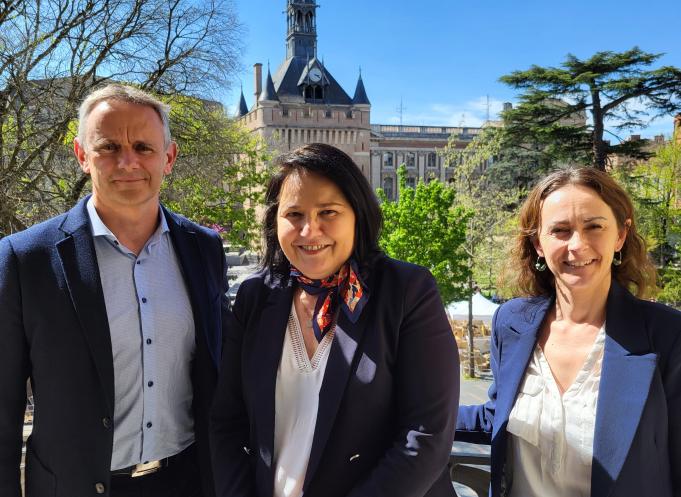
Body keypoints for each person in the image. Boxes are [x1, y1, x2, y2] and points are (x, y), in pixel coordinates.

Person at [0, 84, 227, 497]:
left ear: (169, 158)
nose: (127, 161)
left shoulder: (204, 249)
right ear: (82, 156)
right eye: (108, 147)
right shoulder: (24, 259)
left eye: (144, 147)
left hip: (189, 480)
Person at [210, 143, 459, 497]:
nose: (310, 231)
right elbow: (227, 423)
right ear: (274, 221)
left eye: (328, 212)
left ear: (358, 214)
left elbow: (426, 436)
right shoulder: (256, 296)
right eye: (294, 215)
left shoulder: (406, 292)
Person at [456, 167, 681, 497]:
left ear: (620, 234)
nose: (578, 244)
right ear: (538, 244)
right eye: (560, 230)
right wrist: (403, 413)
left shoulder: (667, 335)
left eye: (594, 227)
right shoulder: (511, 322)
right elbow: (498, 416)